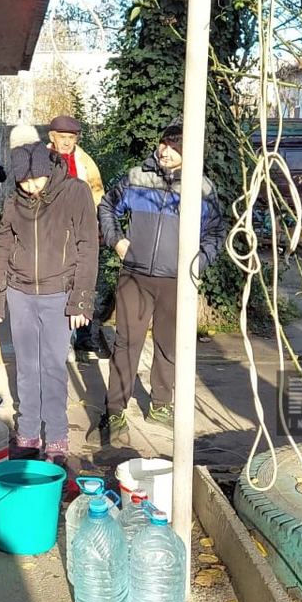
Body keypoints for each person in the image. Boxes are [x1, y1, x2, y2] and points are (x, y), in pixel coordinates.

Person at [96, 119, 227, 436]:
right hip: (135, 277)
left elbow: (215, 233)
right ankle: (115, 412)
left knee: (169, 345)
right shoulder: (137, 178)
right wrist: (116, 240)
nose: (166, 151)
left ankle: (161, 405)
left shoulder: (201, 189)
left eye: (175, 146)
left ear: (189, 151)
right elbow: (107, 205)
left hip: (175, 283)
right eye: (164, 143)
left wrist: (195, 265)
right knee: (127, 344)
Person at [0, 130, 99, 464]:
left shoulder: (75, 191)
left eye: (37, 180)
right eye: (24, 182)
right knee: (26, 367)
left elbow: (88, 247)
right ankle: (28, 433)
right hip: (21, 294)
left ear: (49, 170)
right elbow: (3, 249)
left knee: (53, 366)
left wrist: (81, 300)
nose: (32, 188)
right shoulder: (14, 199)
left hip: (60, 292)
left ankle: (57, 437)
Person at [47, 114, 107, 354]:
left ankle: (83, 335)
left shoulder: (84, 162)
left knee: (84, 277)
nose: (67, 142)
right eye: (62, 137)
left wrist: (98, 226)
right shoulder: (42, 158)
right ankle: (54, 334)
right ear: (52, 136)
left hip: (80, 228)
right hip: (51, 230)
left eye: (71, 138)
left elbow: (98, 194)